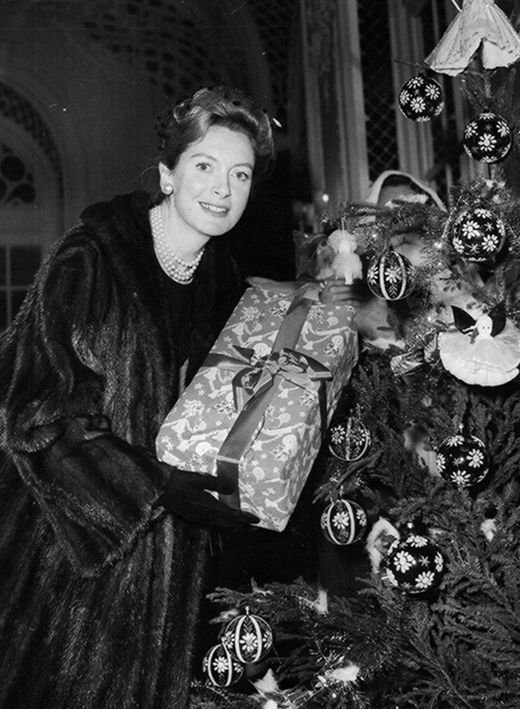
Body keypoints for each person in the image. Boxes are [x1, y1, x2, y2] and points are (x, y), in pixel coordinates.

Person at [0, 84, 359, 708]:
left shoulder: (221, 280)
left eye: (240, 174)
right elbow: (33, 413)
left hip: (167, 574)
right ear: (168, 174)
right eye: (205, 166)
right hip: (67, 562)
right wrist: (150, 485)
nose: (222, 189)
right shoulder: (91, 260)